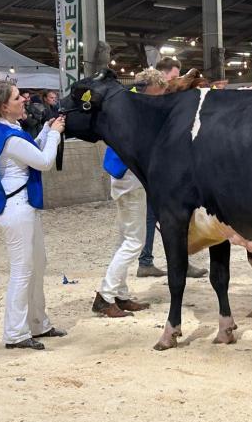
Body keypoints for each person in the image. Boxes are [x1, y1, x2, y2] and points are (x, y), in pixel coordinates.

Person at [0, 80, 67, 350]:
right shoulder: (9, 137)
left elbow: (32, 150)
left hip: (23, 206)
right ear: (5, 106)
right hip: (16, 208)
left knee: (37, 265)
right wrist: (53, 135)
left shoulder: (9, 129)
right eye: (18, 98)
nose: (24, 100)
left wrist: (45, 130)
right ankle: (15, 333)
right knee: (21, 271)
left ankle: (38, 323)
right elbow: (42, 161)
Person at [138, 58, 207, 278]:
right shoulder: (148, 98)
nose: (176, 81)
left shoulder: (161, 97)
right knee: (161, 216)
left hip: (154, 166)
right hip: (145, 167)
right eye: (174, 76)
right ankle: (152, 261)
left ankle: (154, 260)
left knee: (156, 216)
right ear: (163, 74)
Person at [91, 146, 153, 318]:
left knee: (124, 241)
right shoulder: (137, 121)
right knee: (134, 242)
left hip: (124, 181)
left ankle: (120, 295)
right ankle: (105, 296)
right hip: (131, 184)